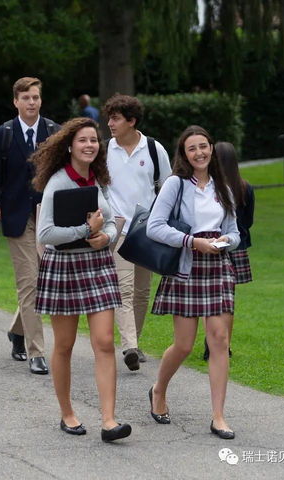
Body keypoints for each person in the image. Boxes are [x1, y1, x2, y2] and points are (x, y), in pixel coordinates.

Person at [32, 117, 132, 442]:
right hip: (63, 268)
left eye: (94, 140)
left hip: (98, 265)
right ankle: (67, 413)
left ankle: (109, 421)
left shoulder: (97, 181)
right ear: (70, 146)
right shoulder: (57, 183)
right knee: (64, 345)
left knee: (104, 341)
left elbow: (115, 220)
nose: (90, 145)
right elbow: (46, 233)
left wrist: (107, 236)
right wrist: (86, 231)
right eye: (83, 140)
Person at [146, 125, 240, 439]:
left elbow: (237, 232)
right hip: (187, 264)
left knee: (219, 342)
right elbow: (154, 227)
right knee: (184, 345)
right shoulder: (176, 184)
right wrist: (190, 242)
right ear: (184, 154)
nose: (199, 153)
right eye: (192, 148)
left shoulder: (222, 186)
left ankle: (218, 416)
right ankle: (158, 389)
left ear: (212, 148)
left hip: (218, 266)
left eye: (204, 146)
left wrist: (227, 239)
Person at [0, 77, 59, 374]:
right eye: (26, 98)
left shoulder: (55, 132)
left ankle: (18, 331)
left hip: (49, 216)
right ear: (16, 101)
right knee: (29, 282)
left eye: (36, 97)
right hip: (17, 216)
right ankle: (37, 352)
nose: (32, 102)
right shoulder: (2, 135)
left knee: (43, 281)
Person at [104, 93, 172, 371]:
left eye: (116, 118)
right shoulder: (104, 149)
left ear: (131, 121)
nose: (109, 123)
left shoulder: (155, 149)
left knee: (142, 291)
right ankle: (130, 345)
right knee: (124, 288)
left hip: (146, 230)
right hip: (117, 229)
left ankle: (135, 342)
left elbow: (168, 188)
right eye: (109, 117)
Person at [203, 142, 255, 361]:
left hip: (212, 245)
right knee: (227, 300)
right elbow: (249, 221)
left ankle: (210, 342)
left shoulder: (210, 189)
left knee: (207, 295)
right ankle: (225, 344)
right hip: (237, 247)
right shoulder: (245, 187)